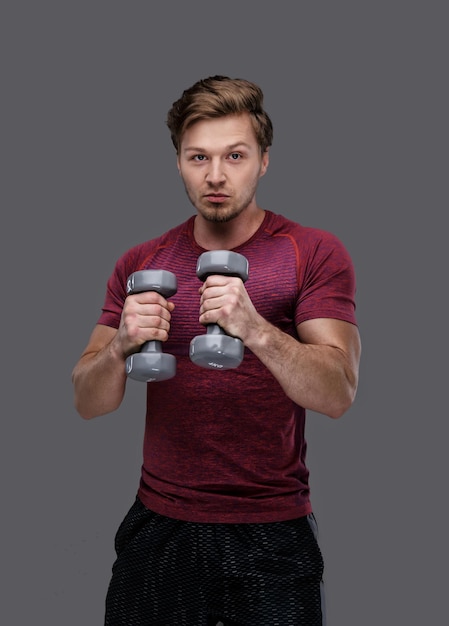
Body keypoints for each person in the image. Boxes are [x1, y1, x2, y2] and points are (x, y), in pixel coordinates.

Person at [72, 75, 361, 626]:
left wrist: (254, 328)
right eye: (197, 157)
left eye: (235, 155)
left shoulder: (313, 252)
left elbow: (338, 392)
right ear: (178, 162)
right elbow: (89, 401)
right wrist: (120, 349)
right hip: (159, 526)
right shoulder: (141, 262)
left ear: (264, 161)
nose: (216, 175)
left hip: (271, 531)